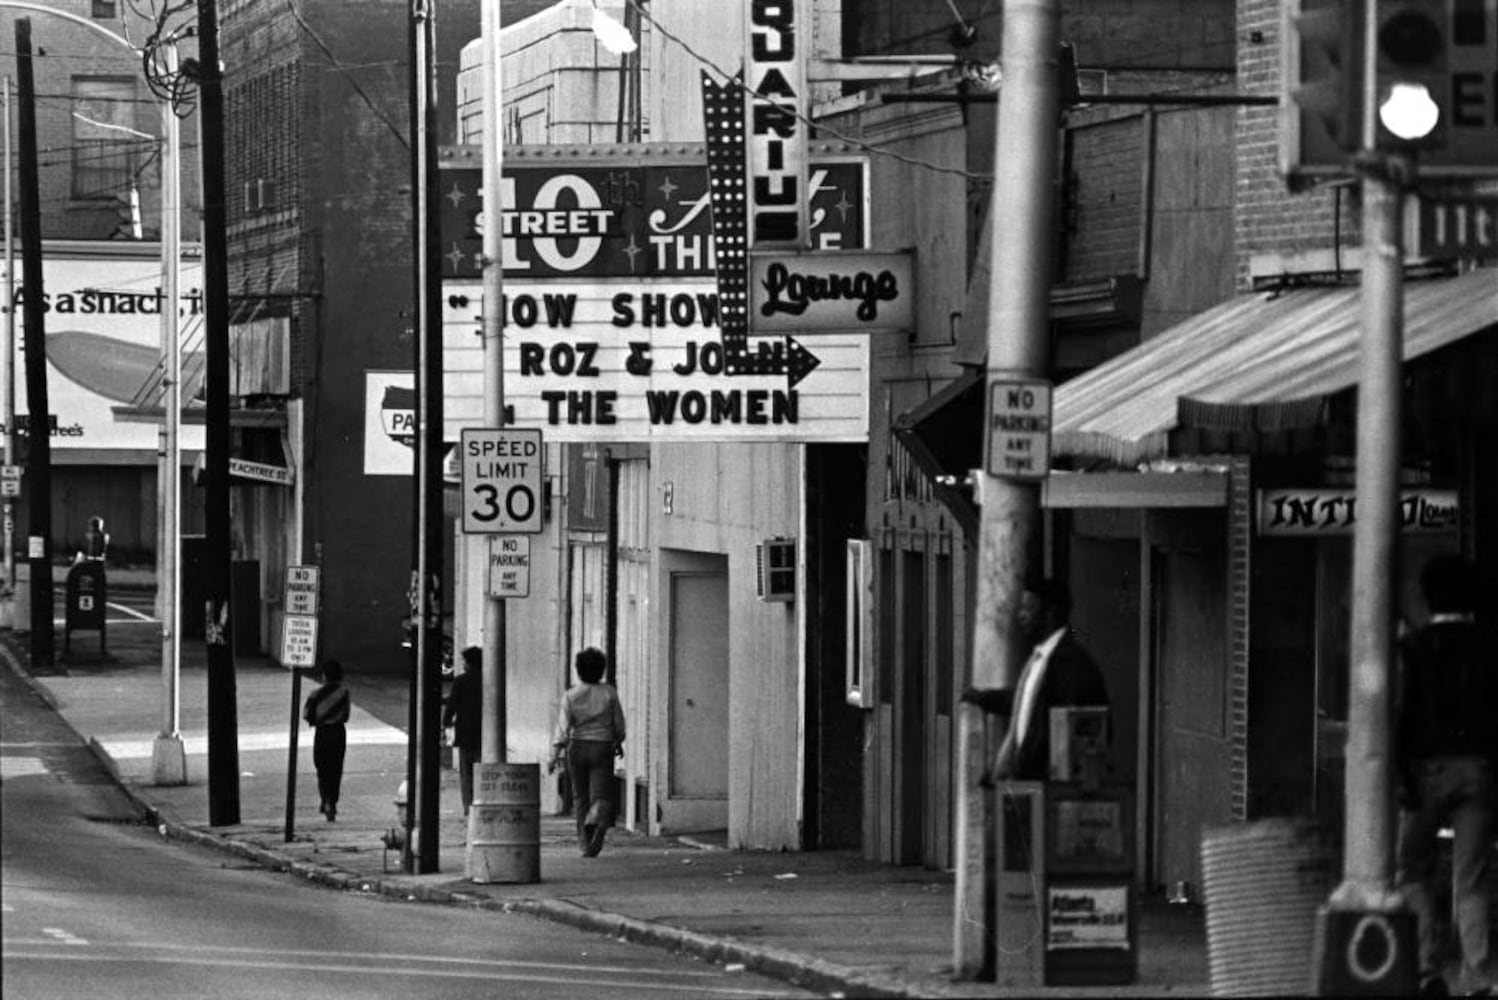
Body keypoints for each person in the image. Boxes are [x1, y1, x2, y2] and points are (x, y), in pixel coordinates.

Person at [1394, 554, 1497, 998]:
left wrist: (1403, 779)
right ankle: (1482, 976)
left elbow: (1402, 718)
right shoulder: (1490, 646)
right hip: (1480, 770)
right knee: (1470, 878)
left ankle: (1426, 967)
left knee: (1411, 868)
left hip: (1427, 769)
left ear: (1427, 596)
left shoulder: (1414, 650)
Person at [961, 577, 1110, 783]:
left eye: (1028, 609)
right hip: (1029, 782)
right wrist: (983, 698)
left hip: (1049, 786)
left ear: (1050, 614)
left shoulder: (1071, 664)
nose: (1020, 616)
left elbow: (1077, 729)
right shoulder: (1042, 658)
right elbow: (1026, 706)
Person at [550, 647, 625, 857]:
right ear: (601, 669)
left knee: (579, 797)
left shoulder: (571, 695)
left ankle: (584, 842)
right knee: (599, 796)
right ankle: (597, 826)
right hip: (603, 747)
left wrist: (554, 756)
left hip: (577, 747)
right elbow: (619, 724)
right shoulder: (609, 692)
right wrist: (617, 740)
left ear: (579, 670)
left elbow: (563, 728)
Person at [304, 659, 351, 821]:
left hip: (322, 733)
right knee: (336, 768)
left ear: (324, 676)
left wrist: (318, 719)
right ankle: (333, 801)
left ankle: (325, 799)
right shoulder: (344, 693)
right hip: (338, 732)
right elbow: (346, 715)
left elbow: (307, 715)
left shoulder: (315, 694)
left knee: (322, 768)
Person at [442, 646, 484, 816]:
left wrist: (445, 722)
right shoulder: (487, 680)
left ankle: (469, 807)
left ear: (469, 663)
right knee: (480, 769)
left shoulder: (460, 681)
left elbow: (452, 705)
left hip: (465, 733)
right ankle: (481, 803)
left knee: (466, 773)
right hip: (483, 733)